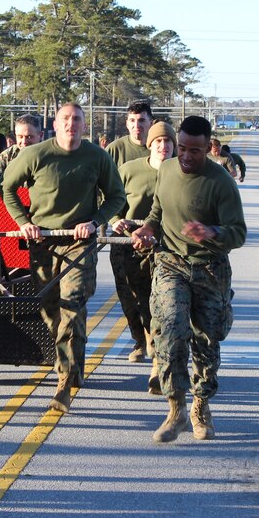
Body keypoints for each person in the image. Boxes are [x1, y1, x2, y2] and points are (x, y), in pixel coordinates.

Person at [1, 103, 126, 413]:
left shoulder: (98, 157)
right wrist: (23, 222)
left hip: (78, 243)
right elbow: (8, 187)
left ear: (85, 126)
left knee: (72, 304)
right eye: (66, 119)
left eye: (77, 120)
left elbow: (116, 197)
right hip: (43, 242)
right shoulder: (35, 154)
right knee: (51, 312)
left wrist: (95, 221)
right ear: (54, 125)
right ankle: (74, 361)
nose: (72, 124)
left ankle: (62, 383)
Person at [132, 115, 246, 443]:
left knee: (206, 343)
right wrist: (147, 228)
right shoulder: (166, 170)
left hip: (209, 268)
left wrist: (212, 231)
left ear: (207, 148)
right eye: (181, 148)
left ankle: (201, 404)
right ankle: (175, 407)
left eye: (194, 151)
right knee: (169, 329)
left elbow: (238, 233)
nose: (185, 156)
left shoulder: (221, 181)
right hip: (171, 263)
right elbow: (158, 210)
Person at [110, 121, 175, 367]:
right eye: (158, 141)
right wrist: (115, 220)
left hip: (164, 245)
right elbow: (111, 198)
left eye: (168, 141)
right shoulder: (129, 170)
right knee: (131, 298)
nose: (163, 146)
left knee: (158, 299)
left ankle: (156, 347)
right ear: (150, 144)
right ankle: (140, 339)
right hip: (128, 243)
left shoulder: (181, 170)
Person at [0, 113, 43, 185]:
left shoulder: (49, 156)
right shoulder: (9, 155)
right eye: (20, 136)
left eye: (29, 137)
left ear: (40, 135)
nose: (24, 142)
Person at [106, 100, 152, 169]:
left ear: (151, 124)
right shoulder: (114, 150)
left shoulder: (160, 149)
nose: (136, 125)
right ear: (127, 124)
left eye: (141, 120)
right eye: (132, 120)